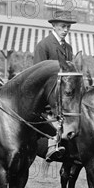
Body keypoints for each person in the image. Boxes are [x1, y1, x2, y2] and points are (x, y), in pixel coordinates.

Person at [33, 10, 76, 161]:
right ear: (54, 26)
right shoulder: (43, 46)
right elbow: (38, 76)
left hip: (64, 95)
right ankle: (52, 145)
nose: (66, 30)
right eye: (63, 26)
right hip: (47, 96)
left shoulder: (69, 48)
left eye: (68, 27)